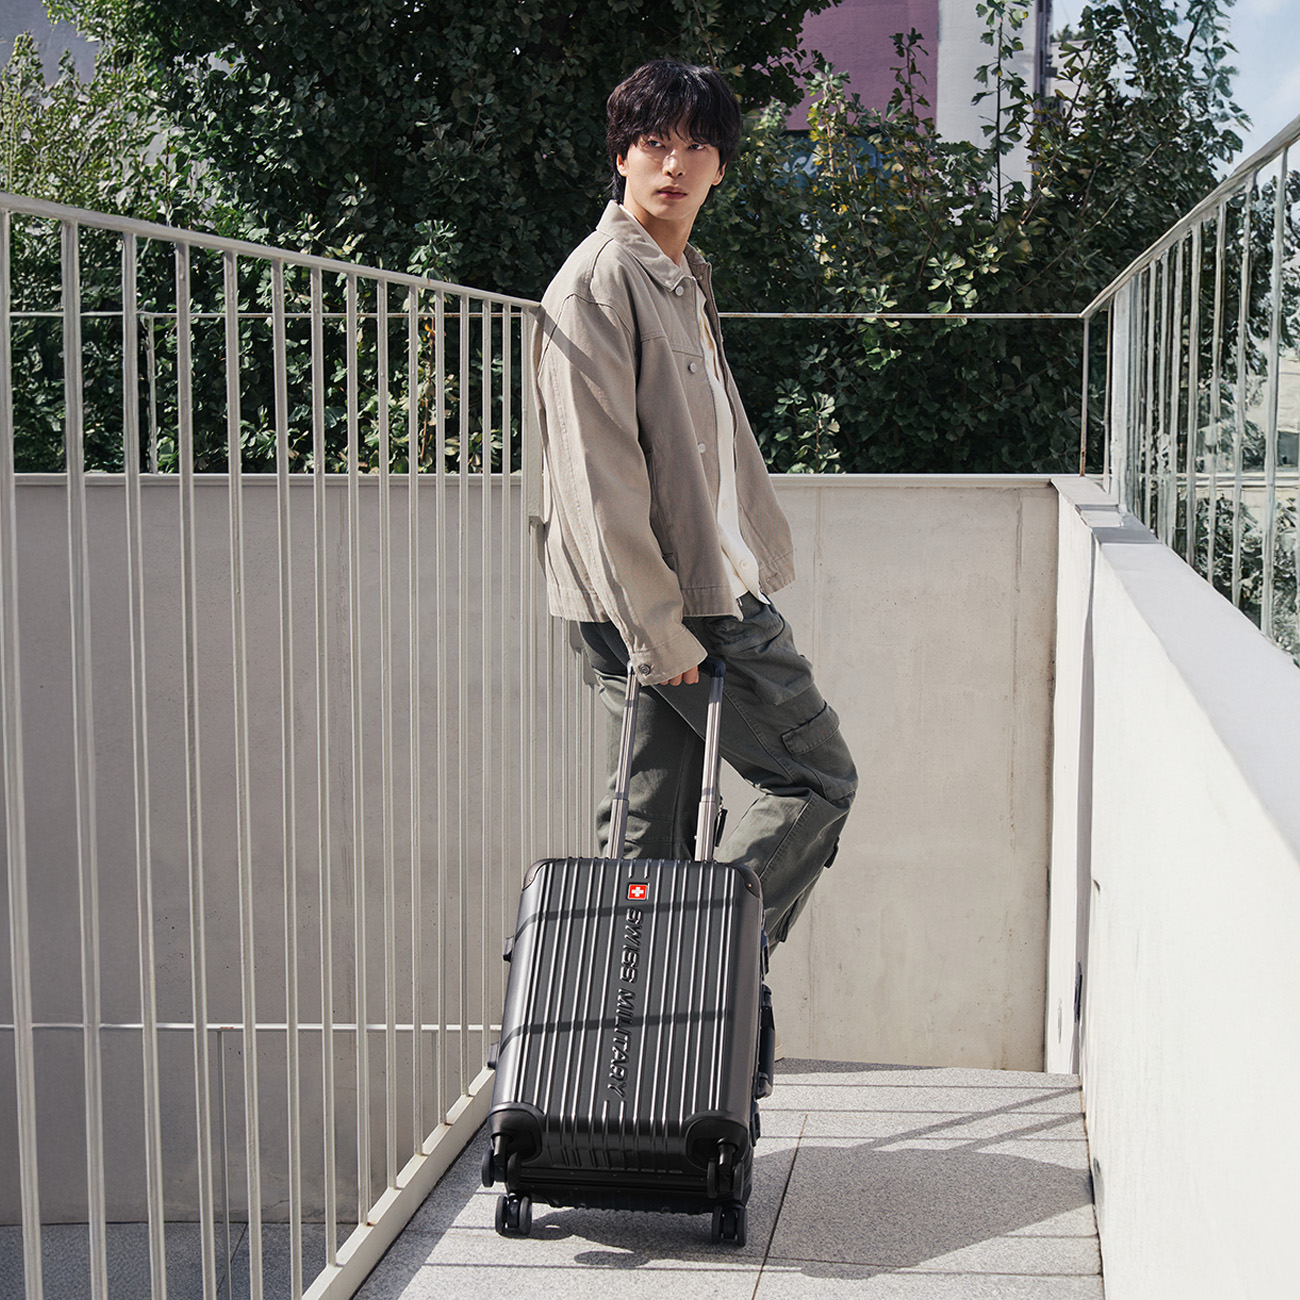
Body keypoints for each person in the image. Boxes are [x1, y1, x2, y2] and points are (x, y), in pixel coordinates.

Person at [533, 58, 856, 946]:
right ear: (621, 157)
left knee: (654, 831)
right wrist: (658, 629)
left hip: (679, 592)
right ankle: (703, 958)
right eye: (653, 143)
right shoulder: (597, 284)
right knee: (816, 779)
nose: (674, 164)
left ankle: (640, 1007)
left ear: (721, 167)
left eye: (696, 147)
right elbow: (595, 478)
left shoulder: (679, 274)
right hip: (673, 603)